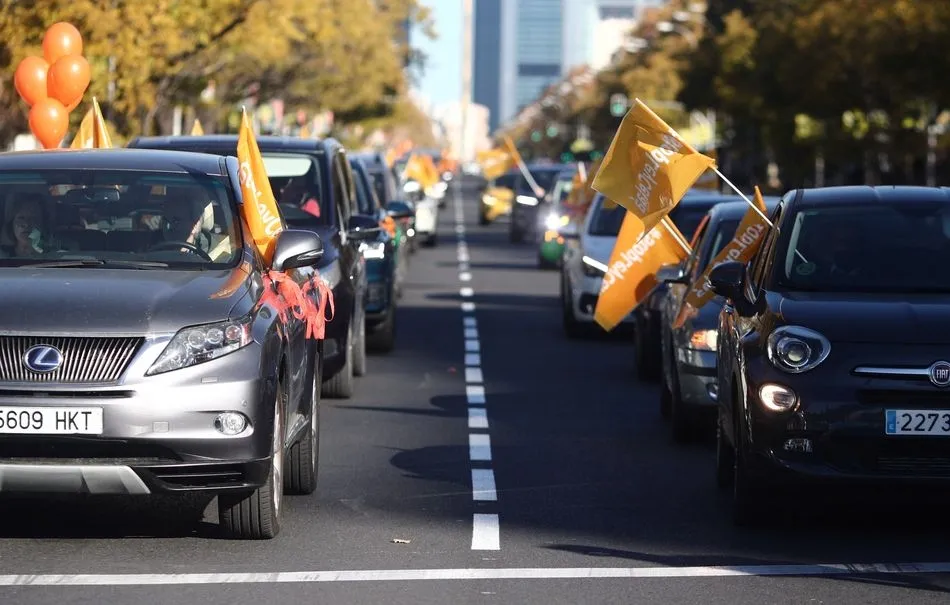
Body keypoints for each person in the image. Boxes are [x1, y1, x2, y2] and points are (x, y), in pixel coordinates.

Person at [0, 193, 51, 258]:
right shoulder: (2, 257)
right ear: (12, 223)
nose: (26, 224)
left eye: (33, 218)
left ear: (43, 223)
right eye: (21, 218)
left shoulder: (55, 257)